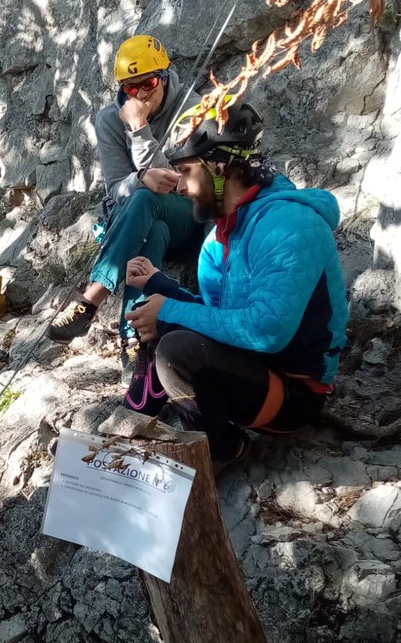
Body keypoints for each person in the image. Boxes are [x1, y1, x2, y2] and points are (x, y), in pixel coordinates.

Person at [125, 101, 348, 474]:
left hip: (293, 395)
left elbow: (266, 332)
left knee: (176, 348)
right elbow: (219, 319)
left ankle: (221, 450)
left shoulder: (289, 225)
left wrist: (169, 312)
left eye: (185, 171)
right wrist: (158, 288)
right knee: (168, 324)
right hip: (254, 369)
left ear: (219, 168)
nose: (178, 185)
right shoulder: (218, 237)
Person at [47, 35, 201, 347]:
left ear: (164, 76)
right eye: (132, 88)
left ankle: (90, 299)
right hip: (142, 224)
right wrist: (141, 179)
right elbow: (117, 187)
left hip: (189, 217)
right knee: (152, 229)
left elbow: (178, 182)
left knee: (148, 199)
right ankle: (135, 342)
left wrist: (140, 131)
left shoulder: (191, 108)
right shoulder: (109, 119)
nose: (143, 93)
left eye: (150, 83)